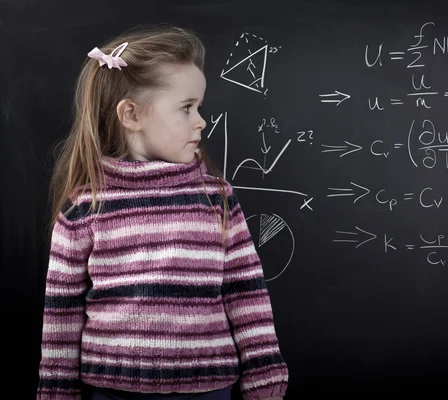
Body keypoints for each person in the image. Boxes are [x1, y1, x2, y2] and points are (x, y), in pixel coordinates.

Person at [36, 24, 288, 400]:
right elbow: (62, 313)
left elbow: (246, 292)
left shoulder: (215, 197)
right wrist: (56, 392)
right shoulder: (84, 208)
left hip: (208, 388)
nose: (201, 121)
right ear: (131, 114)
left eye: (199, 108)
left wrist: (265, 374)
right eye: (187, 108)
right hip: (112, 390)